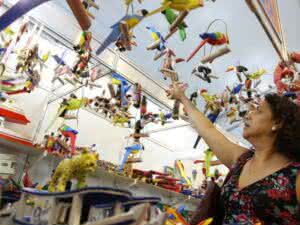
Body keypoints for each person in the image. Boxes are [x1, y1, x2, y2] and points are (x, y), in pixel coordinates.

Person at [166, 82, 300, 225]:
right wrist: (182, 98)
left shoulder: (295, 175)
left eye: (259, 111)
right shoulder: (242, 160)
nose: (248, 115)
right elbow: (208, 129)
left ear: (278, 122)